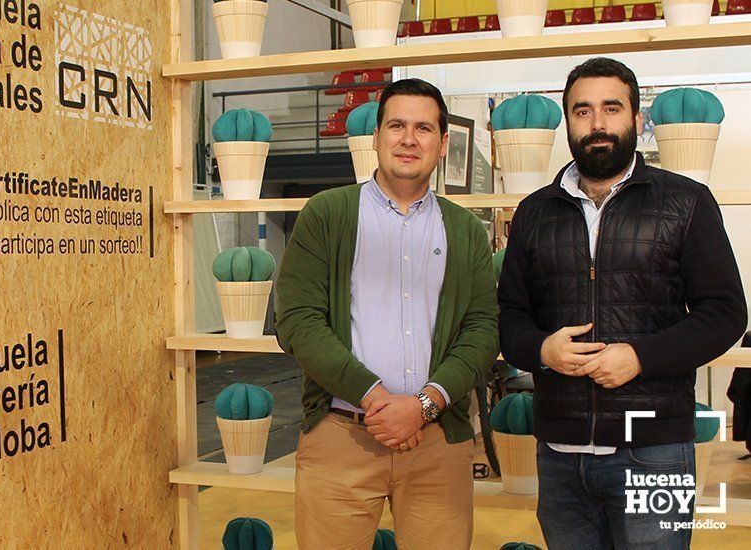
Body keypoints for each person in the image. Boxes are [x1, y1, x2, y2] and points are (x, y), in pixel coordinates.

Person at [498, 57, 748, 549]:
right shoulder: (533, 213)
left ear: (636, 119)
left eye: (611, 109)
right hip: (559, 451)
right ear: (567, 122)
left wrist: (640, 357)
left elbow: (725, 313)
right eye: (582, 111)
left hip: (654, 449)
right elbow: (510, 318)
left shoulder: (686, 202)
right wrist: (542, 351)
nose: (597, 124)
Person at [275, 78, 499, 549]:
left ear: (442, 144)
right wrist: (376, 399)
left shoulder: (464, 230)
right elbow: (297, 321)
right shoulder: (326, 214)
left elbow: (482, 330)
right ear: (376, 138)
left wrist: (423, 405)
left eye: (424, 128)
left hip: (438, 442)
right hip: (342, 437)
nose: (409, 138)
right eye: (396, 125)